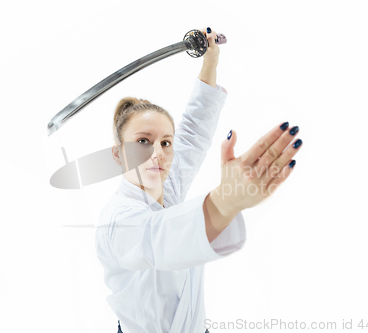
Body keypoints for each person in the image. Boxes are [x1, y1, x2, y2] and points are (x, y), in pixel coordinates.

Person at [95, 27, 303, 333]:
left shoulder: (168, 184)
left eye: (166, 142)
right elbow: (160, 240)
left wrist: (210, 62)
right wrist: (226, 200)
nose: (158, 154)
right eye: (142, 141)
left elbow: (192, 131)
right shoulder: (116, 222)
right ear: (118, 154)